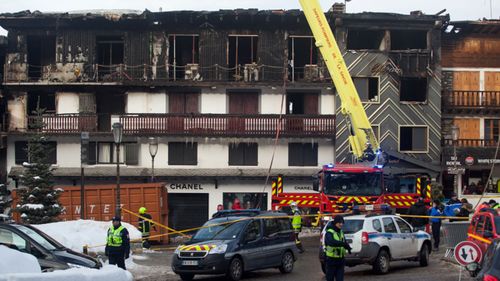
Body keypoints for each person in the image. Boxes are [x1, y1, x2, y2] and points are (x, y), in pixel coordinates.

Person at [324, 215, 351, 281]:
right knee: (330, 279)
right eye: (339, 223)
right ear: (335, 222)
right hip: (331, 260)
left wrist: (348, 247)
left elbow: (344, 241)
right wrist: (343, 244)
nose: (341, 224)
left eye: (342, 223)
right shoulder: (329, 232)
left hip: (340, 260)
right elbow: (331, 242)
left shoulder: (341, 232)